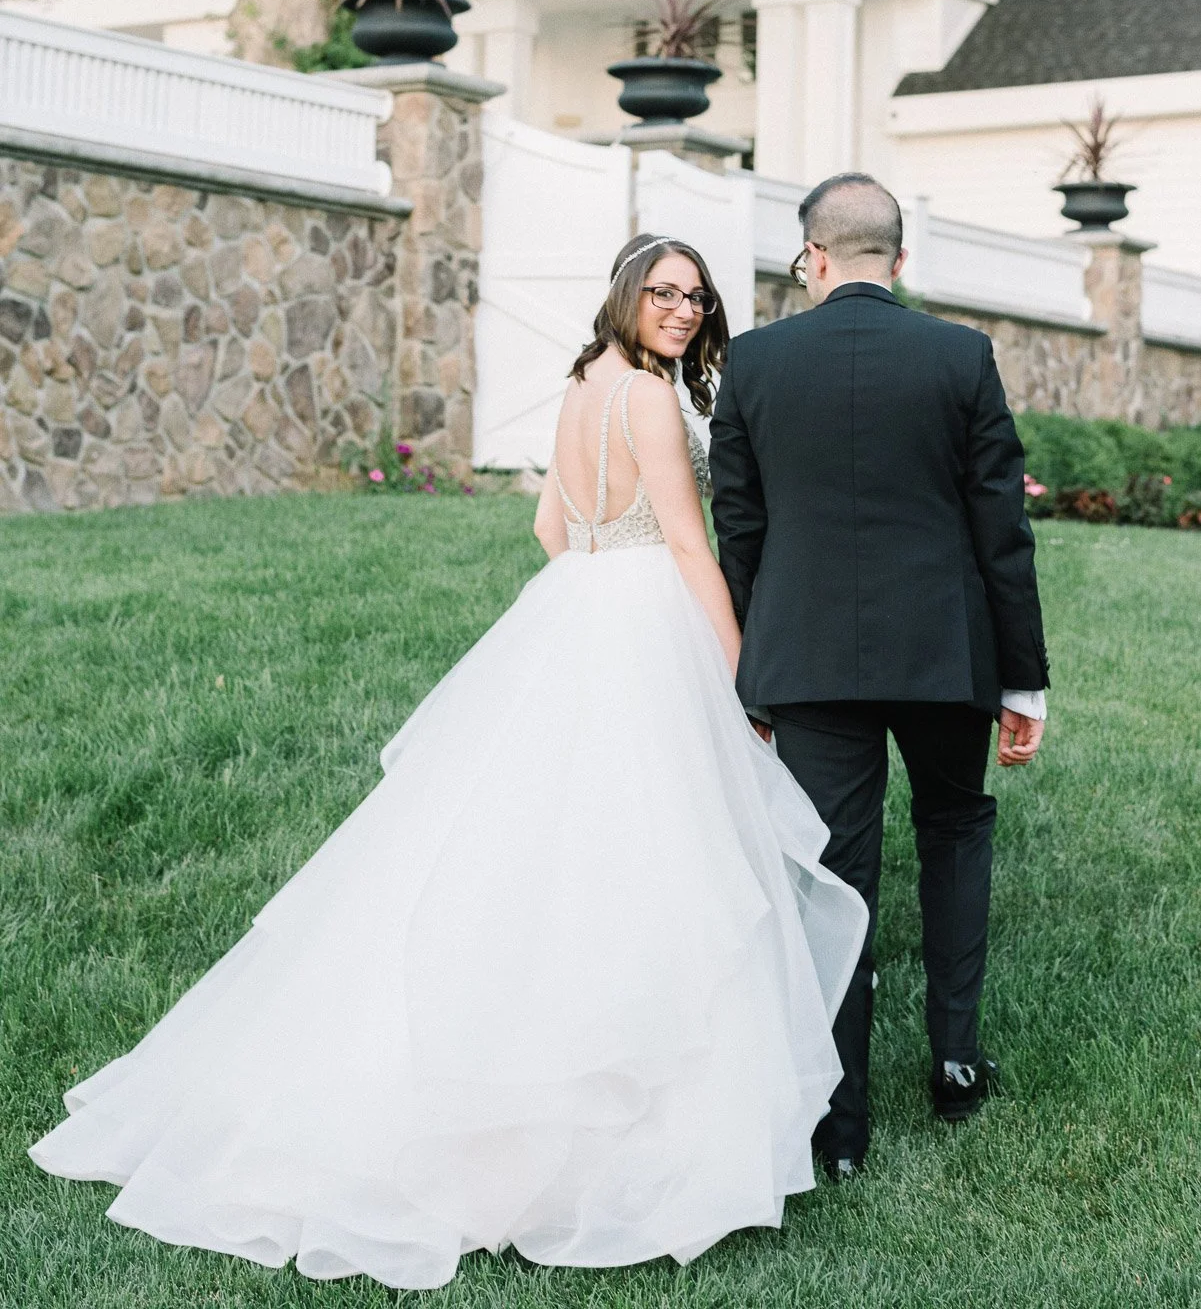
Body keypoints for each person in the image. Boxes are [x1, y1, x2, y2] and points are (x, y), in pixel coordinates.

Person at [30, 234, 867, 1292]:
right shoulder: (650, 399)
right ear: (624, 295)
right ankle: (614, 1133)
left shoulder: (580, 387)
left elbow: (548, 525)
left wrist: (599, 593)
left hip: (579, 607)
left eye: (694, 298)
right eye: (662, 293)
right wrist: (739, 675)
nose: (683, 310)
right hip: (646, 611)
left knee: (546, 850)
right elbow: (694, 549)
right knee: (646, 860)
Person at [709, 174, 1049, 1179]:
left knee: (836, 875)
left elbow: (741, 529)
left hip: (807, 661)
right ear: (899, 262)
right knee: (952, 828)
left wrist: (749, 675)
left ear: (811, 258)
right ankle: (952, 1062)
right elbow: (1002, 531)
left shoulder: (756, 363)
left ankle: (839, 1128)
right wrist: (1021, 683)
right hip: (944, 654)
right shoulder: (960, 356)